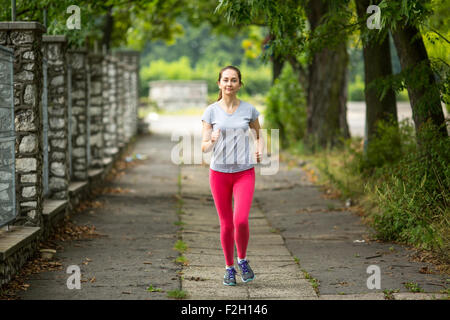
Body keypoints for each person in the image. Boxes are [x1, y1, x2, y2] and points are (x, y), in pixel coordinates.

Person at [201, 65, 264, 286]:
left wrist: (259, 147)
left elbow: (258, 134)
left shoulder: (249, 110)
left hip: (244, 172)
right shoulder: (211, 111)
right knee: (227, 224)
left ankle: (243, 259)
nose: (229, 84)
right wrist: (212, 140)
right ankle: (229, 268)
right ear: (219, 83)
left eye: (234, 80)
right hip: (219, 174)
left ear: (239, 84)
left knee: (241, 220)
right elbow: (204, 148)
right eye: (225, 80)